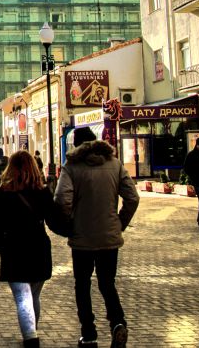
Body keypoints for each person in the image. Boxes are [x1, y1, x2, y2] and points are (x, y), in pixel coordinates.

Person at [54, 126, 138, 348]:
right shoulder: (115, 164)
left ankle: (89, 334)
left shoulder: (72, 166)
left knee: (82, 285)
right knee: (107, 283)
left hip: (82, 239)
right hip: (109, 237)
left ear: (76, 145)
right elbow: (132, 197)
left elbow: (62, 200)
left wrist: (69, 223)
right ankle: (117, 323)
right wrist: (120, 222)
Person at [0, 150, 55, 348]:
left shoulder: (3, 193)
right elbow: (54, 220)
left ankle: (30, 336)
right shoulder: (42, 192)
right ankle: (32, 331)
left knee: (22, 295)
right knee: (33, 295)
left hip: (13, 248)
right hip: (38, 246)